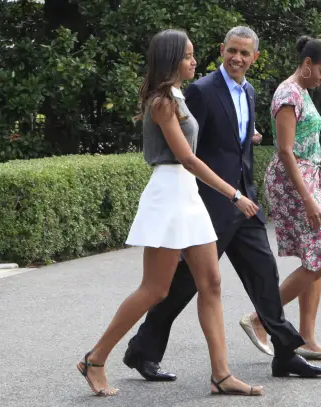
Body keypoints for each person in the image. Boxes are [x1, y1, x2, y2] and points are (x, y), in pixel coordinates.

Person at [122, 26, 321, 382]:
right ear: (222, 50)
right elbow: (186, 148)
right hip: (211, 203)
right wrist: (223, 193)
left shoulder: (249, 91)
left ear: (255, 58)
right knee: (184, 284)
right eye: (232, 50)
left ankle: (285, 354)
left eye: (245, 53)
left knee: (264, 276)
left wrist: (246, 149)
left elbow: (236, 145)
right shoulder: (201, 91)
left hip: (244, 200)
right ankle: (142, 350)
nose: (237, 58)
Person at [76, 29, 263, 397]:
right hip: (169, 194)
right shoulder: (163, 101)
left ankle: (221, 375)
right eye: (188, 55)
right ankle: (95, 359)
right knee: (155, 289)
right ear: (171, 60)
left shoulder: (178, 95)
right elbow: (188, 158)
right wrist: (233, 193)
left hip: (186, 195)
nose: (195, 61)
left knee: (211, 283)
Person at [242, 36, 321, 361]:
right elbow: (285, 150)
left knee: (312, 260)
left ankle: (307, 340)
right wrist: (309, 199)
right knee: (320, 260)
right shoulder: (288, 93)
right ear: (307, 63)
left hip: (308, 178)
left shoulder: (302, 92)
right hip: (295, 181)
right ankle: (260, 318)